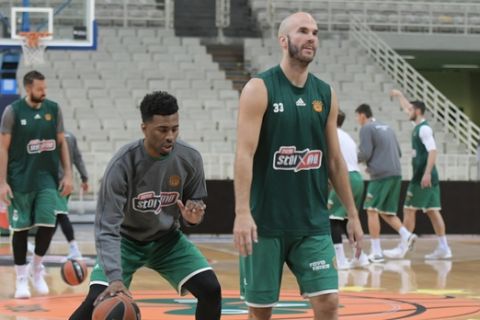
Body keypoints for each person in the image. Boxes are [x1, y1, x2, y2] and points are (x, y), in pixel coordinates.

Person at [233, 12, 364, 320]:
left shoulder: (325, 93)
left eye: (315, 33)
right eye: (303, 31)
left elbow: (334, 160)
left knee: (328, 302)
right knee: (260, 313)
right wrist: (241, 212)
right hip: (265, 223)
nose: (311, 38)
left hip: (312, 222)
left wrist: (353, 215)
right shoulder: (259, 88)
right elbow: (244, 154)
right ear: (284, 40)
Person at [69, 91, 221, 320]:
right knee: (97, 301)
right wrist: (115, 279)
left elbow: (195, 207)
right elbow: (106, 227)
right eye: (162, 129)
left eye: (175, 128)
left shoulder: (190, 158)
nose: (170, 136)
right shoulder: (122, 164)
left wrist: (193, 218)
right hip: (125, 241)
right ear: (144, 128)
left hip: (166, 240)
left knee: (211, 290)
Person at [0, 70, 73, 299]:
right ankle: (21, 278)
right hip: (19, 179)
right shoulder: (12, 112)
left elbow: (62, 143)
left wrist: (68, 174)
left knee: (48, 222)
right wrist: (2, 182)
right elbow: (2, 147)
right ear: (28, 88)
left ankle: (36, 267)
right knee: (20, 229)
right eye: (40, 89)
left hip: (47, 179)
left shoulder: (54, 109)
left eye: (45, 88)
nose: (44, 92)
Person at [389, 90, 452, 259]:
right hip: (426, 176)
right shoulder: (418, 127)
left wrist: (427, 173)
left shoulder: (424, 130)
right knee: (432, 211)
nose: (407, 112)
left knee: (409, 209)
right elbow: (406, 107)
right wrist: (399, 95)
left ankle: (403, 246)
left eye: (410, 110)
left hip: (422, 177)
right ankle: (444, 247)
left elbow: (433, 151)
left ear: (417, 111)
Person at [355, 103, 416, 263]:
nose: (358, 120)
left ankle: (376, 252)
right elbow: (400, 152)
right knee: (386, 212)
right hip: (396, 173)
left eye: (357, 117)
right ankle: (407, 235)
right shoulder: (387, 127)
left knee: (371, 209)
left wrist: (350, 160)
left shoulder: (367, 128)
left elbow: (365, 153)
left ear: (362, 115)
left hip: (381, 175)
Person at [328, 110, 369, 270]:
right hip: (357, 178)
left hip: (344, 177)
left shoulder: (333, 135)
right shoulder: (348, 137)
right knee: (347, 218)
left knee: (332, 219)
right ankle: (361, 256)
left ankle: (341, 260)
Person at [56, 131, 89, 260]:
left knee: (60, 214)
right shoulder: (71, 136)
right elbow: (78, 158)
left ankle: (74, 247)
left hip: (54, 182)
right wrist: (84, 177)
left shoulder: (48, 134)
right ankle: (40, 249)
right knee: (54, 217)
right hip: (67, 182)